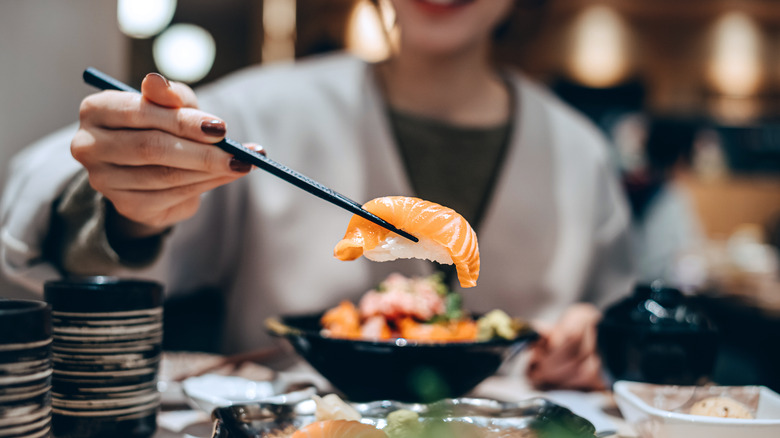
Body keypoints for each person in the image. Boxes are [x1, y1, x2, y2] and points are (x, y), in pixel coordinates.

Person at [0, 0, 634, 391]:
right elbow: (54, 212)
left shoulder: (580, 153)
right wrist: (128, 208)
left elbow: (619, 333)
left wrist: (591, 344)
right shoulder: (267, 108)